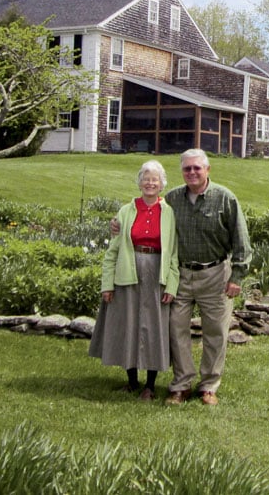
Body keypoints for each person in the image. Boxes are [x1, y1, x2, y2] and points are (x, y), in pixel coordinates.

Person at [163, 149, 251, 406]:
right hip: (180, 275)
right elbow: (147, 218)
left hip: (215, 275)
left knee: (215, 332)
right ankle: (181, 385)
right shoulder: (171, 199)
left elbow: (241, 241)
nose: (192, 172)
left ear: (207, 170)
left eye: (197, 168)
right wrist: (119, 224)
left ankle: (209, 386)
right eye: (187, 168)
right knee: (176, 329)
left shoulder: (225, 198)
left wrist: (237, 276)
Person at [89, 160, 179, 401]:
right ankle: (131, 381)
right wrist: (107, 284)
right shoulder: (126, 212)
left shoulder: (169, 213)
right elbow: (112, 251)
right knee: (127, 324)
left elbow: (173, 253)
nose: (150, 183)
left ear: (162, 184)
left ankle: (150, 385)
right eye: (146, 179)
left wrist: (171, 285)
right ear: (139, 182)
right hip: (127, 274)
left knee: (153, 327)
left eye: (155, 179)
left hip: (156, 274)